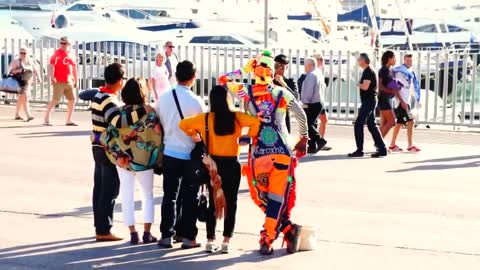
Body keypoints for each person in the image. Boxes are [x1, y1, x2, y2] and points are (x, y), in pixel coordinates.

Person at [219, 49, 308, 255]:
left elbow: (223, 80)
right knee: (275, 197)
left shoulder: (245, 92)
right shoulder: (281, 93)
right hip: (282, 150)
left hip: (259, 153)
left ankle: (267, 239)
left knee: (262, 196)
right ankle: (286, 228)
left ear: (255, 69)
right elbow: (301, 115)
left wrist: (243, 69)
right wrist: (304, 137)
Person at [179, 85, 260, 254]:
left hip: (213, 166)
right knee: (231, 204)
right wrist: (246, 136)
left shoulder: (206, 118)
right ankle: (226, 241)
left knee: (213, 203)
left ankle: (210, 240)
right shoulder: (237, 117)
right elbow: (256, 123)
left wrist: (195, 133)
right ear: (228, 99)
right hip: (232, 164)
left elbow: (183, 124)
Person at [90, 63, 147, 241]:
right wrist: (143, 111)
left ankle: (100, 226)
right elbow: (118, 122)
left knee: (99, 189)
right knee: (109, 191)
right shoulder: (109, 100)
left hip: (97, 147)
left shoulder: (98, 95)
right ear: (119, 81)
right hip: (108, 150)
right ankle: (104, 230)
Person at [101, 78, 160, 245]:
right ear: (143, 94)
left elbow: (108, 138)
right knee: (147, 196)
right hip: (144, 161)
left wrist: (118, 156)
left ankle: (133, 233)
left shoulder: (119, 114)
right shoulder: (149, 112)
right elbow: (157, 137)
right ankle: (147, 233)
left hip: (124, 161)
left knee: (126, 196)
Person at [155, 60, 206, 249]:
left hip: (169, 152)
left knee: (170, 195)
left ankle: (166, 235)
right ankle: (187, 237)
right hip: (190, 156)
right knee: (189, 196)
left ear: (175, 76)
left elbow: (158, 120)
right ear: (193, 77)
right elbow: (202, 129)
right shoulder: (197, 101)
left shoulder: (164, 98)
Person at [348, 54, 387, 158]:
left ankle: (359, 150)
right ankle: (382, 148)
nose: (358, 61)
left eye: (359, 59)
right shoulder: (370, 70)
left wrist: (358, 84)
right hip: (371, 100)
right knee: (371, 125)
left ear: (364, 61)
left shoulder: (368, 71)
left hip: (369, 101)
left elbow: (365, 87)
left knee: (358, 124)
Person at [389, 54, 421, 152]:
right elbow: (396, 87)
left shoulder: (410, 72)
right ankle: (410, 145)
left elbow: (411, 87)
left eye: (410, 61)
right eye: (407, 61)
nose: (409, 62)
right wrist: (401, 101)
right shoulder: (400, 72)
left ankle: (392, 145)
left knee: (399, 123)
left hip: (406, 101)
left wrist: (417, 99)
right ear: (404, 60)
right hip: (401, 102)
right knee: (411, 121)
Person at [43, 36, 78, 126]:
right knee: (55, 100)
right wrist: (51, 76)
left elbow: (74, 68)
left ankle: (68, 120)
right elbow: (51, 65)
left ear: (68, 44)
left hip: (68, 80)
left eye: (64, 43)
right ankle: (46, 118)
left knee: (72, 100)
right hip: (59, 80)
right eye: (61, 43)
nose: (62, 45)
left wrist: (76, 79)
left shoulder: (70, 54)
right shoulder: (57, 53)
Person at [301, 57, 328, 154]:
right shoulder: (318, 74)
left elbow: (309, 91)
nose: (304, 67)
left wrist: (304, 102)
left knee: (307, 124)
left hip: (312, 103)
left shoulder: (311, 75)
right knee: (310, 123)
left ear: (310, 65)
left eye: (305, 65)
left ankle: (319, 140)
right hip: (318, 102)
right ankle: (313, 146)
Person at [378, 50, 406, 137]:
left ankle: (378, 144)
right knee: (391, 121)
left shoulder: (390, 70)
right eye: (394, 58)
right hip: (384, 98)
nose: (395, 60)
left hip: (388, 98)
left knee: (384, 123)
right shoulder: (383, 70)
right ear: (389, 58)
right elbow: (380, 87)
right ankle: (379, 144)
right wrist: (391, 91)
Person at [9, 47, 40, 121]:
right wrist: (19, 70)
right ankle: (28, 115)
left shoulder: (30, 61)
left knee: (21, 99)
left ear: (27, 54)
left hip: (27, 82)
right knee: (25, 98)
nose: (22, 54)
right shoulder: (16, 62)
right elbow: (11, 72)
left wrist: (39, 77)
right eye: (21, 53)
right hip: (19, 82)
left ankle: (17, 115)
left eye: (24, 53)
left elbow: (35, 70)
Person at [273, 54, 298, 133]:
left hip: (283, 116)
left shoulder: (290, 81)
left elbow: (295, 98)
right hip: (269, 115)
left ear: (286, 68)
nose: (279, 69)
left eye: (282, 67)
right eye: (277, 66)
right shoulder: (267, 80)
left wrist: (283, 83)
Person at [313, 53, 332, 151]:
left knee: (320, 121)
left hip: (320, 100)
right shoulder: (315, 72)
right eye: (321, 59)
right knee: (322, 120)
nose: (323, 61)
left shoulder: (319, 72)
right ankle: (318, 142)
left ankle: (318, 141)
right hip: (317, 100)